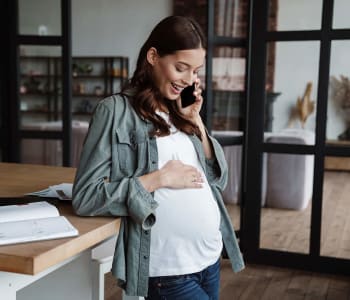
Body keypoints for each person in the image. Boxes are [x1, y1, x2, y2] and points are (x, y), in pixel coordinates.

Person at [72, 15, 244, 299]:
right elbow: (87, 196)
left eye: (195, 71)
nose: (188, 80)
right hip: (167, 270)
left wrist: (196, 121)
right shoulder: (114, 111)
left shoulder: (181, 108)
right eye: (181, 68)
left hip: (210, 259)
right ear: (153, 56)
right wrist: (158, 178)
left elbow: (218, 178)